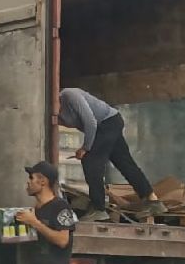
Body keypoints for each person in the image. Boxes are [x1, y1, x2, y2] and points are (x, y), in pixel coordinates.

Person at [56, 86, 166, 221]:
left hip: (108, 122)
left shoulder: (70, 95)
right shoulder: (58, 114)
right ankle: (152, 200)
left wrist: (85, 148)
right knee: (125, 163)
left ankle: (98, 208)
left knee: (90, 161)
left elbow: (90, 123)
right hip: (105, 128)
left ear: (57, 97)